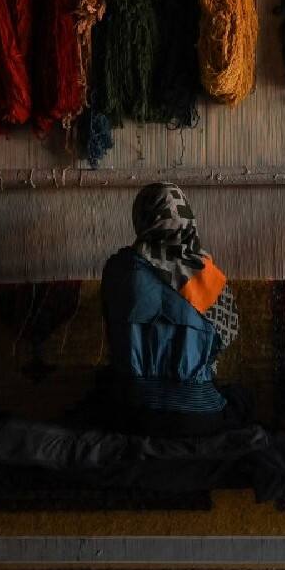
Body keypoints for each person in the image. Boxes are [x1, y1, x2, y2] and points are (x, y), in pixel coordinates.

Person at [99, 182, 251, 436]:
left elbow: (114, 335)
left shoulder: (119, 269)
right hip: (198, 418)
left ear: (141, 218)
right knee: (241, 398)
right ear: (187, 219)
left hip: (132, 414)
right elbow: (222, 342)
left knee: (103, 385)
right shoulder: (209, 277)